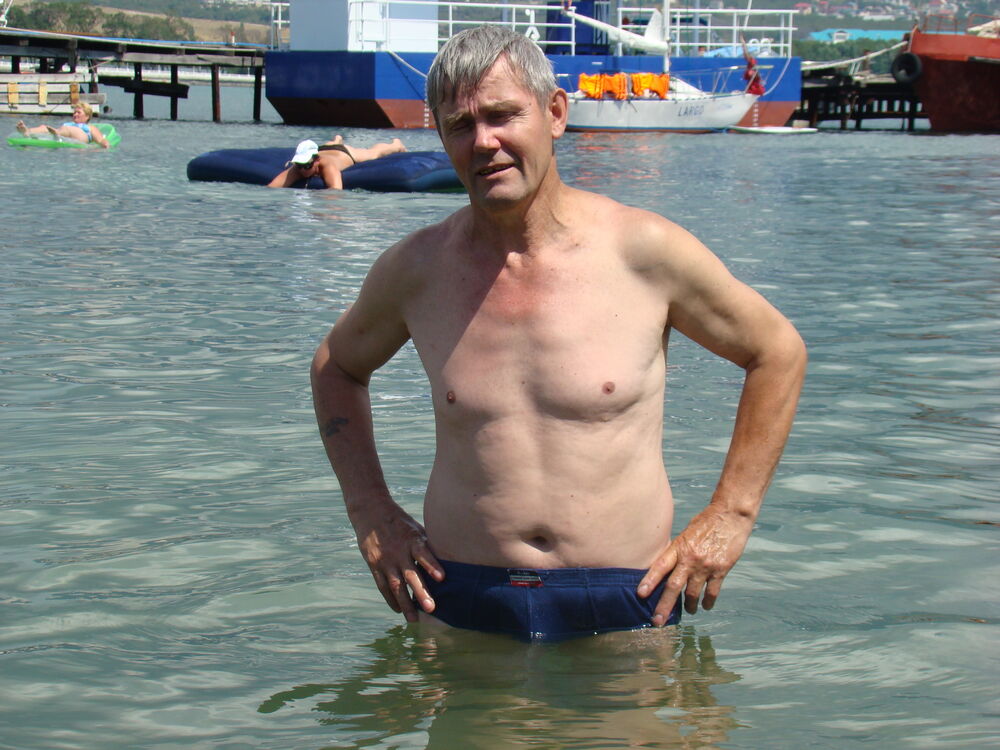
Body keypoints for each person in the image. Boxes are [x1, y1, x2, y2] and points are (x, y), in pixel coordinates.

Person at [310, 26, 806, 641]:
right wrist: (370, 511)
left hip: (628, 596)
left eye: (502, 115)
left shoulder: (643, 251)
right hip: (461, 594)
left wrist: (732, 512)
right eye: (460, 125)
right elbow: (336, 366)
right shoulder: (417, 270)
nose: (484, 142)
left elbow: (776, 352)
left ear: (555, 113)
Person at [267, 135, 407, 189]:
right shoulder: (298, 169)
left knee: (373, 153)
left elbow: (335, 190)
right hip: (324, 149)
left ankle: (396, 144)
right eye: (299, 165)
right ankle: (336, 139)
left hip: (344, 153)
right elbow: (272, 188)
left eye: (307, 165)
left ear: (316, 161)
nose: (303, 170)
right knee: (330, 144)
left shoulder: (327, 166)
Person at [16, 101, 110, 149]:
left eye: (79, 112)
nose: (75, 114)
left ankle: (56, 133)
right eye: (74, 112)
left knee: (68, 129)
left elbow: (101, 139)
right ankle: (27, 131)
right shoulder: (69, 124)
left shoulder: (90, 127)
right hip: (65, 134)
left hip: (80, 135)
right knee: (44, 127)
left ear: (87, 116)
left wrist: (105, 145)